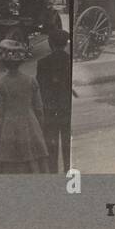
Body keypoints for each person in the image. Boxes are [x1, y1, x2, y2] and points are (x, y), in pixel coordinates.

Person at [0, 39, 48, 174]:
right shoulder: (31, 80)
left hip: (8, 126)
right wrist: (40, 126)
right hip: (29, 124)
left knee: (8, 161)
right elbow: (39, 107)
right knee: (31, 159)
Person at [37, 29, 74, 173]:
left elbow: (40, 87)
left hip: (50, 109)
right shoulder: (69, 61)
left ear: (49, 43)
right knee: (67, 143)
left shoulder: (43, 63)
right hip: (66, 108)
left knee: (51, 144)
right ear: (65, 44)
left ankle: (53, 172)